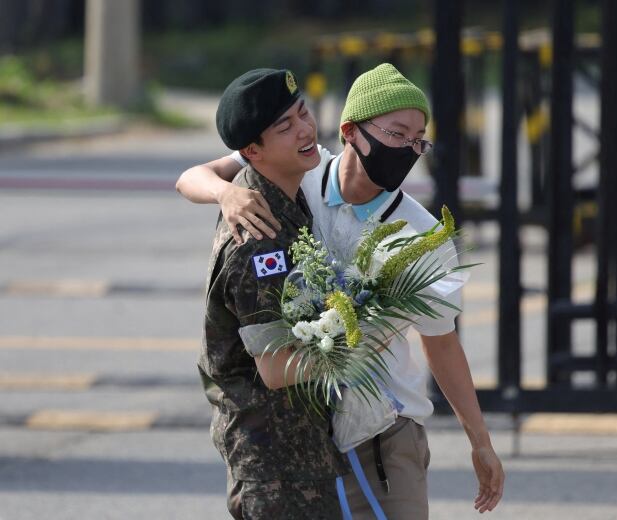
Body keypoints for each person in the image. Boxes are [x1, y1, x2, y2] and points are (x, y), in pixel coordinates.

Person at [178, 63, 504, 518]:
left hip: (383, 437)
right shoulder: (298, 178)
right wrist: (224, 193)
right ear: (352, 131)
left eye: (418, 139)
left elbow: (442, 342)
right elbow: (194, 175)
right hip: (304, 440)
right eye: (396, 134)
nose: (409, 149)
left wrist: (480, 441)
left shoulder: (422, 236)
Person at [196, 67, 346, 519]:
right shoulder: (259, 239)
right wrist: (360, 341)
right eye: (286, 126)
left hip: (299, 452)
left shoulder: (282, 197)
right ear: (251, 151)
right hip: (276, 466)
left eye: (304, 113)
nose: (305, 129)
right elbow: (277, 368)